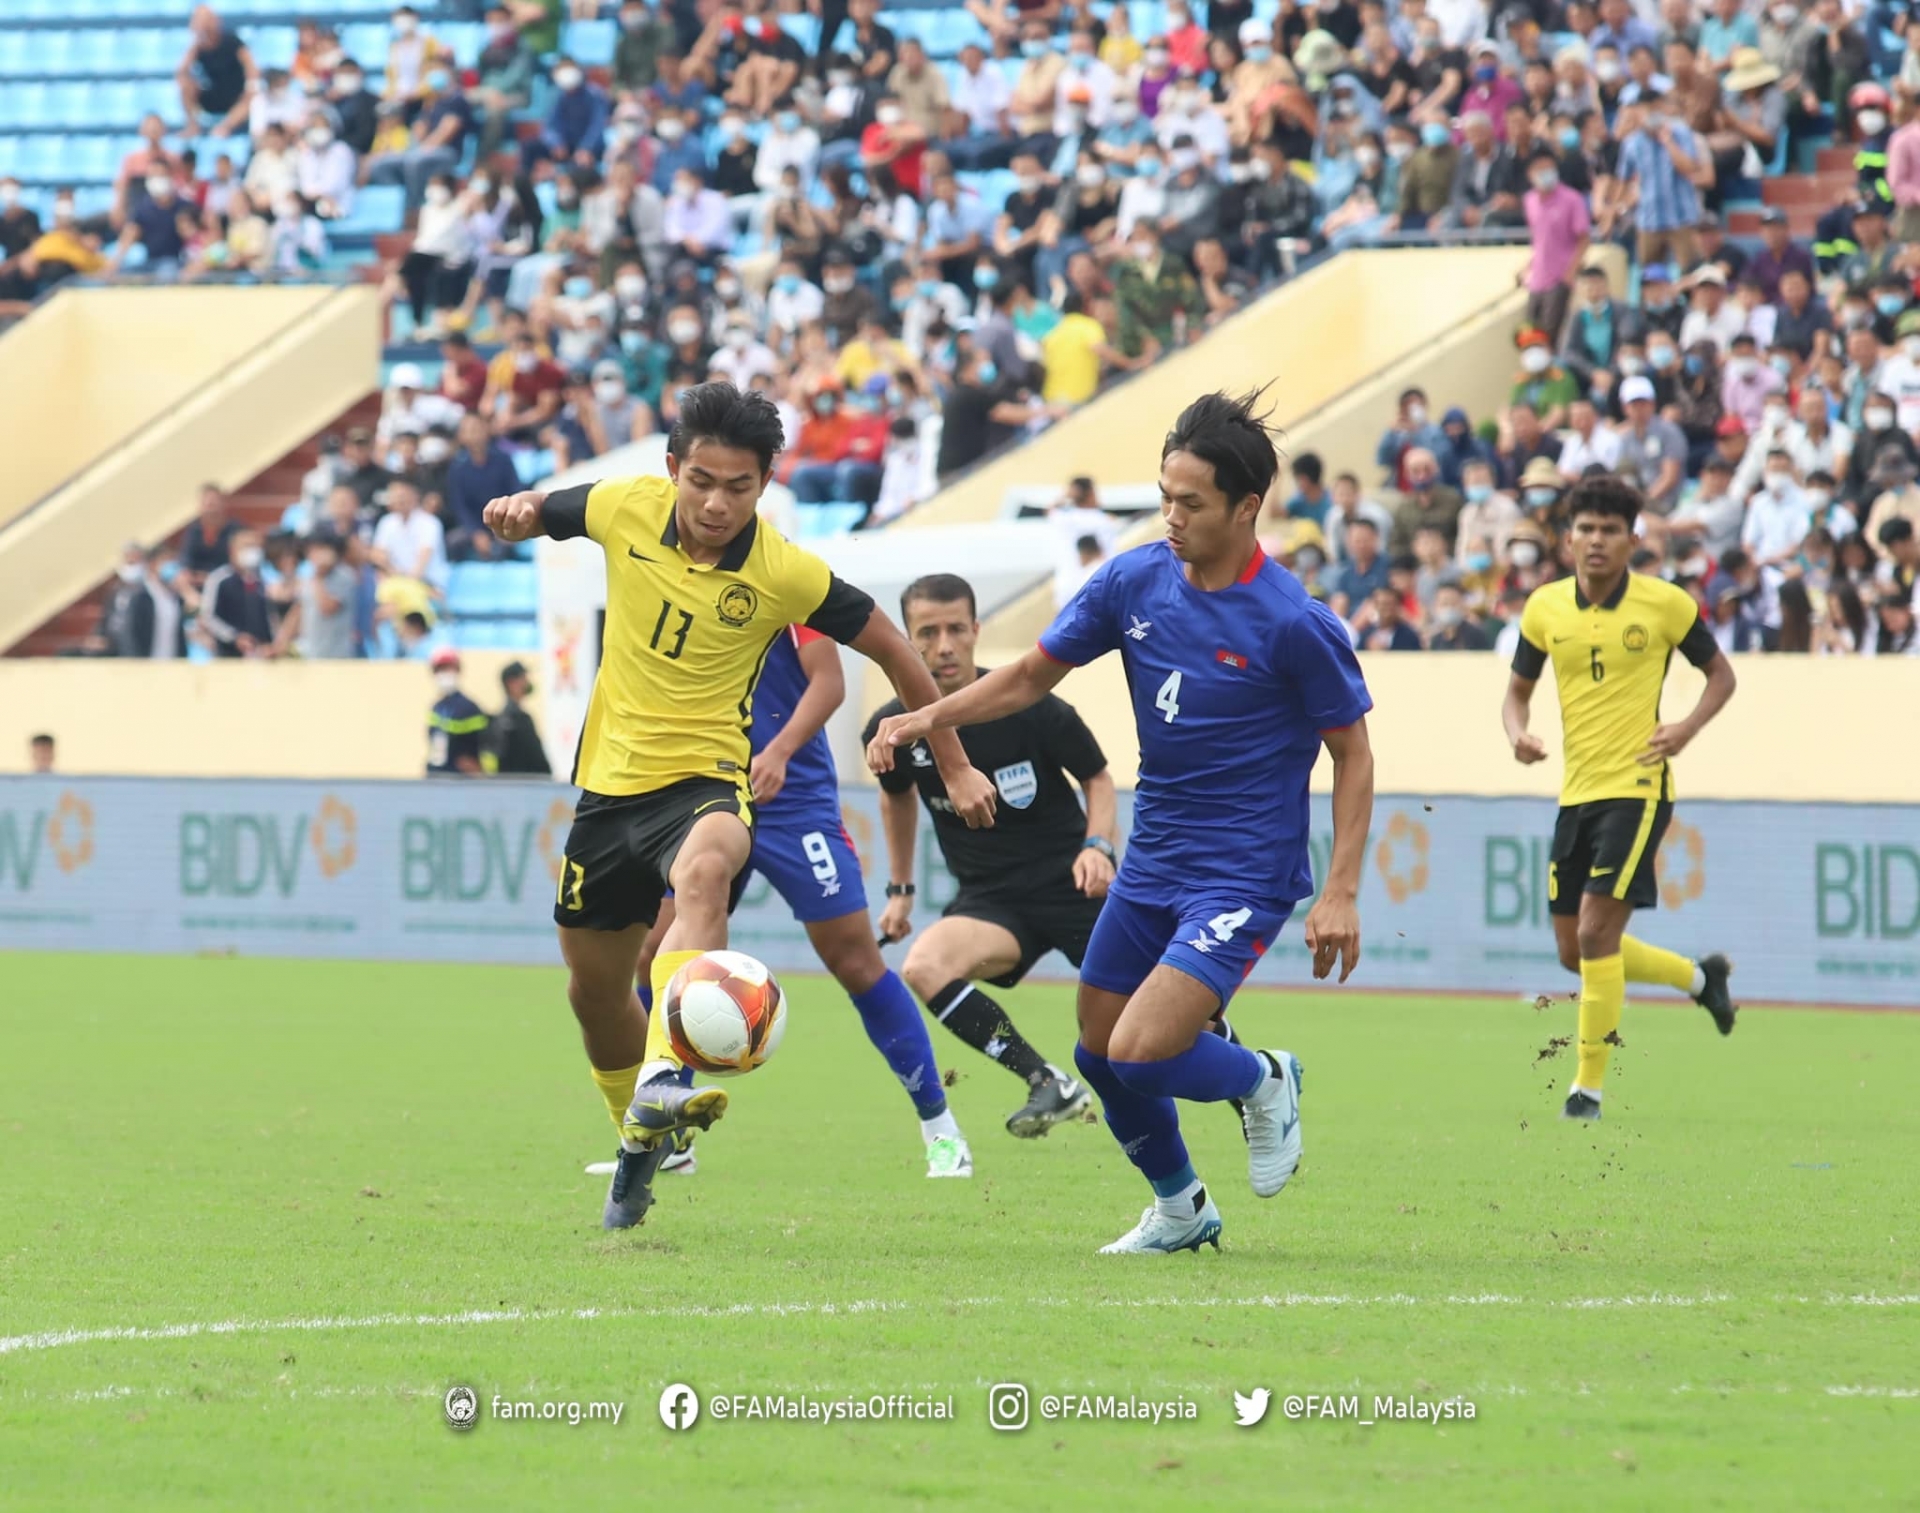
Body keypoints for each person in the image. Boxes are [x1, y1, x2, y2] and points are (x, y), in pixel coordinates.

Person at [869, 390, 1376, 1255]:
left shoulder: (1294, 623)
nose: (1169, 518)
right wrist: (928, 718)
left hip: (1243, 874)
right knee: (1100, 1052)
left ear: (1247, 507)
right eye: (1163, 496)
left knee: (1140, 1052)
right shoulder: (1133, 579)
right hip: (1154, 863)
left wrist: (1341, 890)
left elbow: (1354, 755)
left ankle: (1264, 1077)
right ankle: (1181, 1208)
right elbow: (1031, 673)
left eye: (1192, 503)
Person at [481, 382, 996, 1231]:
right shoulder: (624, 506)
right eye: (703, 481)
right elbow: (546, 508)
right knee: (592, 991)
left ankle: (669, 1079)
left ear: (766, 484)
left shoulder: (786, 572)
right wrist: (516, 512)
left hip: (710, 783)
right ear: (673, 468)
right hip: (609, 789)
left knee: (706, 870)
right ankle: (641, 1142)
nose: (717, 503)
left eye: (740, 487)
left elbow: (897, 653)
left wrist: (953, 758)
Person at [640, 620, 970, 1179]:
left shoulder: (784, 581)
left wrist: (779, 751)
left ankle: (942, 1131)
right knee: (659, 955)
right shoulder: (675, 586)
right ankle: (670, 1135)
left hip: (795, 804)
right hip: (713, 797)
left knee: (857, 962)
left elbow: (829, 683)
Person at [1501, 474, 1741, 1125]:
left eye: (1611, 529)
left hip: (1638, 785)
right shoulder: (1545, 608)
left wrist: (1686, 728)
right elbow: (1517, 692)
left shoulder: (1665, 605)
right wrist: (1517, 733)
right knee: (1573, 949)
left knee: (1597, 930)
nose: (1597, 540)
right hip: (1575, 791)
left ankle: (1587, 1090)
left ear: (1632, 539)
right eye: (1587, 528)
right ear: (1568, 537)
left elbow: (1722, 675)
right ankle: (1700, 978)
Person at [863, 573, 1118, 1138]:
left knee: (1156, 1016)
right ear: (907, 641)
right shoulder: (891, 728)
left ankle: (1254, 1086)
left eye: (956, 629)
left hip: (1075, 888)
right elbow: (896, 801)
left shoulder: (1030, 707)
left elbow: (1099, 779)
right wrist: (900, 891)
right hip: (992, 901)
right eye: (927, 633)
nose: (944, 645)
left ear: (977, 630)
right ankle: (1045, 1080)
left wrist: (1098, 846)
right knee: (925, 966)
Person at [426, 648, 488, 775]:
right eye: (440, 670)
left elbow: (483, 746)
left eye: (448, 668)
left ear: (458, 670)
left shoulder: (469, 708)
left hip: (462, 781)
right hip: (438, 775)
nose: (444, 674)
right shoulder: (437, 708)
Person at [488, 660, 551, 775]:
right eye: (523, 677)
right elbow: (537, 759)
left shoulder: (501, 720)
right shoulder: (520, 720)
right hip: (524, 786)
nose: (527, 682)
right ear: (511, 683)